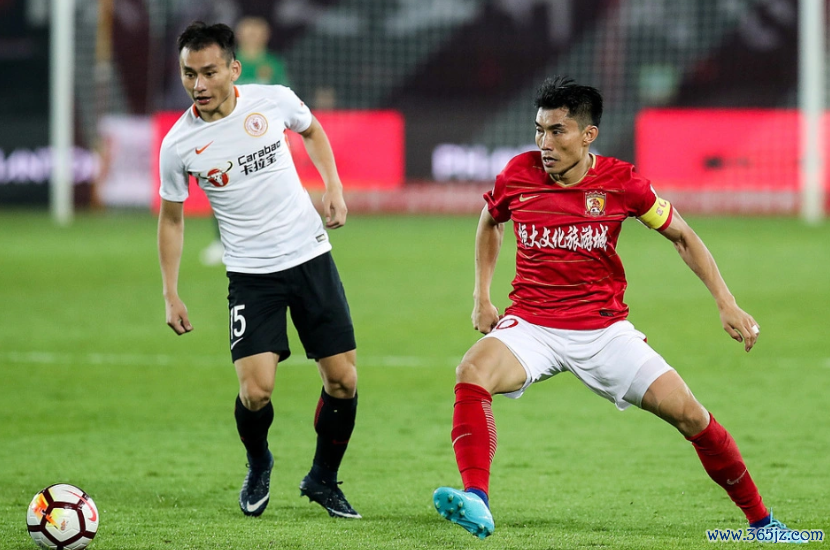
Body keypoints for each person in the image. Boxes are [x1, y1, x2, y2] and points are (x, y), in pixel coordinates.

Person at [432, 77, 801, 542]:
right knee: (471, 371)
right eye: (539, 130)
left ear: (588, 135)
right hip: (532, 324)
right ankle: (477, 499)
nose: (545, 143)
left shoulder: (622, 183)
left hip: (604, 332)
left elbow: (683, 236)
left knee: (692, 416)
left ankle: (764, 524)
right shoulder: (518, 174)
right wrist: (481, 295)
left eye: (558, 131)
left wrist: (726, 302)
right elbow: (491, 218)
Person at [158, 21, 360, 520]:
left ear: (233, 69)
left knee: (343, 380)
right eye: (189, 74)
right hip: (251, 274)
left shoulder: (272, 100)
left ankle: (323, 479)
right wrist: (170, 292)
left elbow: (312, 129)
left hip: (310, 257)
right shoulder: (178, 145)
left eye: (209, 72)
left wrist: (332, 185)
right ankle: (259, 462)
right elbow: (172, 219)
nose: (198, 85)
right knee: (255, 391)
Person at [200, 15, 292, 266]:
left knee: (270, 191)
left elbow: (284, 100)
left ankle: (272, 242)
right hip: (228, 137)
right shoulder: (226, 64)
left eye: (256, 30)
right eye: (247, 30)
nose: (252, 34)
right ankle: (221, 242)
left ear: (265, 34)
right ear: (239, 34)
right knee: (222, 187)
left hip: (264, 140)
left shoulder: (273, 65)